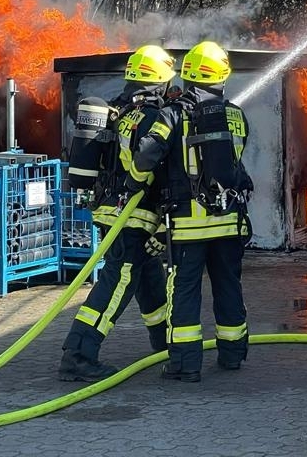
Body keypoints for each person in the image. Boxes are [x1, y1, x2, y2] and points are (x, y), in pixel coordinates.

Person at [124, 39, 253, 384]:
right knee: (229, 284)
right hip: (228, 220)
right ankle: (233, 353)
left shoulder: (172, 113)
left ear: (187, 74)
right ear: (222, 76)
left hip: (187, 225)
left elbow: (146, 157)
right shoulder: (235, 115)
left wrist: (134, 185)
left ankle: (185, 363)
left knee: (184, 289)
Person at [58, 43, 176, 382]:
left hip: (113, 209)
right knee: (118, 280)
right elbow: (149, 170)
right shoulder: (153, 117)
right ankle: (78, 354)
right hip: (132, 216)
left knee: (150, 275)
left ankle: (164, 341)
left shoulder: (123, 110)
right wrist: (161, 222)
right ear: (160, 81)